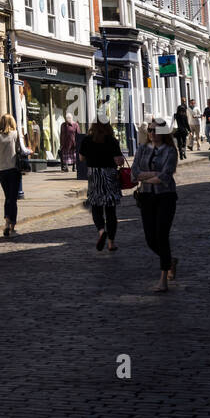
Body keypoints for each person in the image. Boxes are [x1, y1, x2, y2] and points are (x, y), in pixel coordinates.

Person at [131, 116, 179, 293]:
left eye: (154, 130)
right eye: (149, 130)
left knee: (161, 235)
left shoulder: (170, 151)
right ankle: (170, 261)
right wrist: (152, 175)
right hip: (146, 197)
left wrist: (145, 176)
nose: (151, 133)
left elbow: (165, 178)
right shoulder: (142, 149)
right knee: (150, 239)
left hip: (166, 197)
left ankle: (163, 280)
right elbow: (133, 174)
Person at [79, 120, 126, 253]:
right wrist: (119, 160)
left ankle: (101, 231)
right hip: (109, 175)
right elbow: (118, 160)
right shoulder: (112, 140)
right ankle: (111, 242)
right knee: (111, 210)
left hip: (94, 176)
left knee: (96, 207)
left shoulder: (87, 140)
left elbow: (81, 158)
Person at [0, 114, 21, 238]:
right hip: (14, 169)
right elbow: (22, 150)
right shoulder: (15, 135)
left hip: (2, 171)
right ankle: (10, 222)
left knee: (8, 196)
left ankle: (9, 222)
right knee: (12, 198)